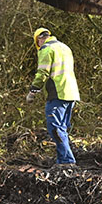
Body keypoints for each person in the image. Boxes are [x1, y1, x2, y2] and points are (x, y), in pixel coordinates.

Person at [25, 27, 79, 166]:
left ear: (39, 40)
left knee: (55, 128)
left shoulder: (46, 49)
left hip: (58, 93)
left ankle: (67, 162)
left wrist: (33, 91)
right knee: (62, 128)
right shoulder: (65, 47)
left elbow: (42, 73)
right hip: (71, 92)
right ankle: (62, 161)